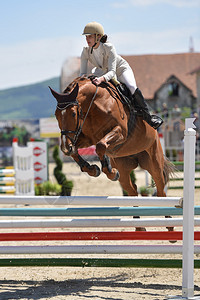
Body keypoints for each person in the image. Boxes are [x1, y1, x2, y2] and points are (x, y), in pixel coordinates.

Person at [80, 21, 163, 129]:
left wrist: (101, 79)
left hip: (120, 69)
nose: (87, 39)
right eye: (86, 37)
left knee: (132, 87)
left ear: (98, 36)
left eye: (90, 36)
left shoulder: (108, 47)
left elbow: (112, 72)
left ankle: (149, 118)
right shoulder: (85, 51)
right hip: (102, 71)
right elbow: (82, 74)